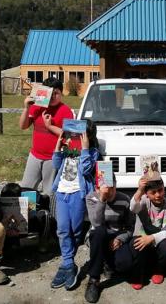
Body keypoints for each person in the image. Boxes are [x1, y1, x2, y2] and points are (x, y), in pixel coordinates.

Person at [49, 119, 100, 291]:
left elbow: (86, 169)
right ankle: (68, 264)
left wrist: (85, 147)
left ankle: (68, 262)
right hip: (62, 192)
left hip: (78, 194)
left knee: (76, 229)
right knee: (62, 229)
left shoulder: (92, 152)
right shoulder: (68, 149)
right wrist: (59, 144)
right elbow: (55, 164)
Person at [83, 174, 135, 303]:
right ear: (97, 187)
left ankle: (106, 262)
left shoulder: (124, 199)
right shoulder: (91, 197)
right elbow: (96, 223)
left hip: (115, 236)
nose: (109, 191)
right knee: (100, 231)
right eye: (105, 187)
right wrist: (102, 199)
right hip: (97, 236)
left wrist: (120, 239)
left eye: (112, 187)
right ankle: (94, 280)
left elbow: (130, 227)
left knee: (125, 265)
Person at [19, 77, 73, 195]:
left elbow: (70, 136)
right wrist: (26, 108)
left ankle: (48, 213)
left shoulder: (66, 111)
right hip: (35, 155)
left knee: (50, 192)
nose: (53, 96)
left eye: (56, 93)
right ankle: (30, 212)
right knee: (26, 190)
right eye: (51, 93)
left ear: (61, 93)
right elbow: (23, 126)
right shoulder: (37, 106)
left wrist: (49, 126)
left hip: (53, 158)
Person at [128, 175, 166, 290]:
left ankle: (158, 270)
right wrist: (139, 190)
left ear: (164, 188)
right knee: (137, 244)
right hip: (141, 237)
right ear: (146, 194)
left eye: (160, 190)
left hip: (155, 239)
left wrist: (151, 238)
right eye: (153, 192)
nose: (158, 195)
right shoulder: (144, 201)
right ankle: (138, 276)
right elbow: (133, 208)